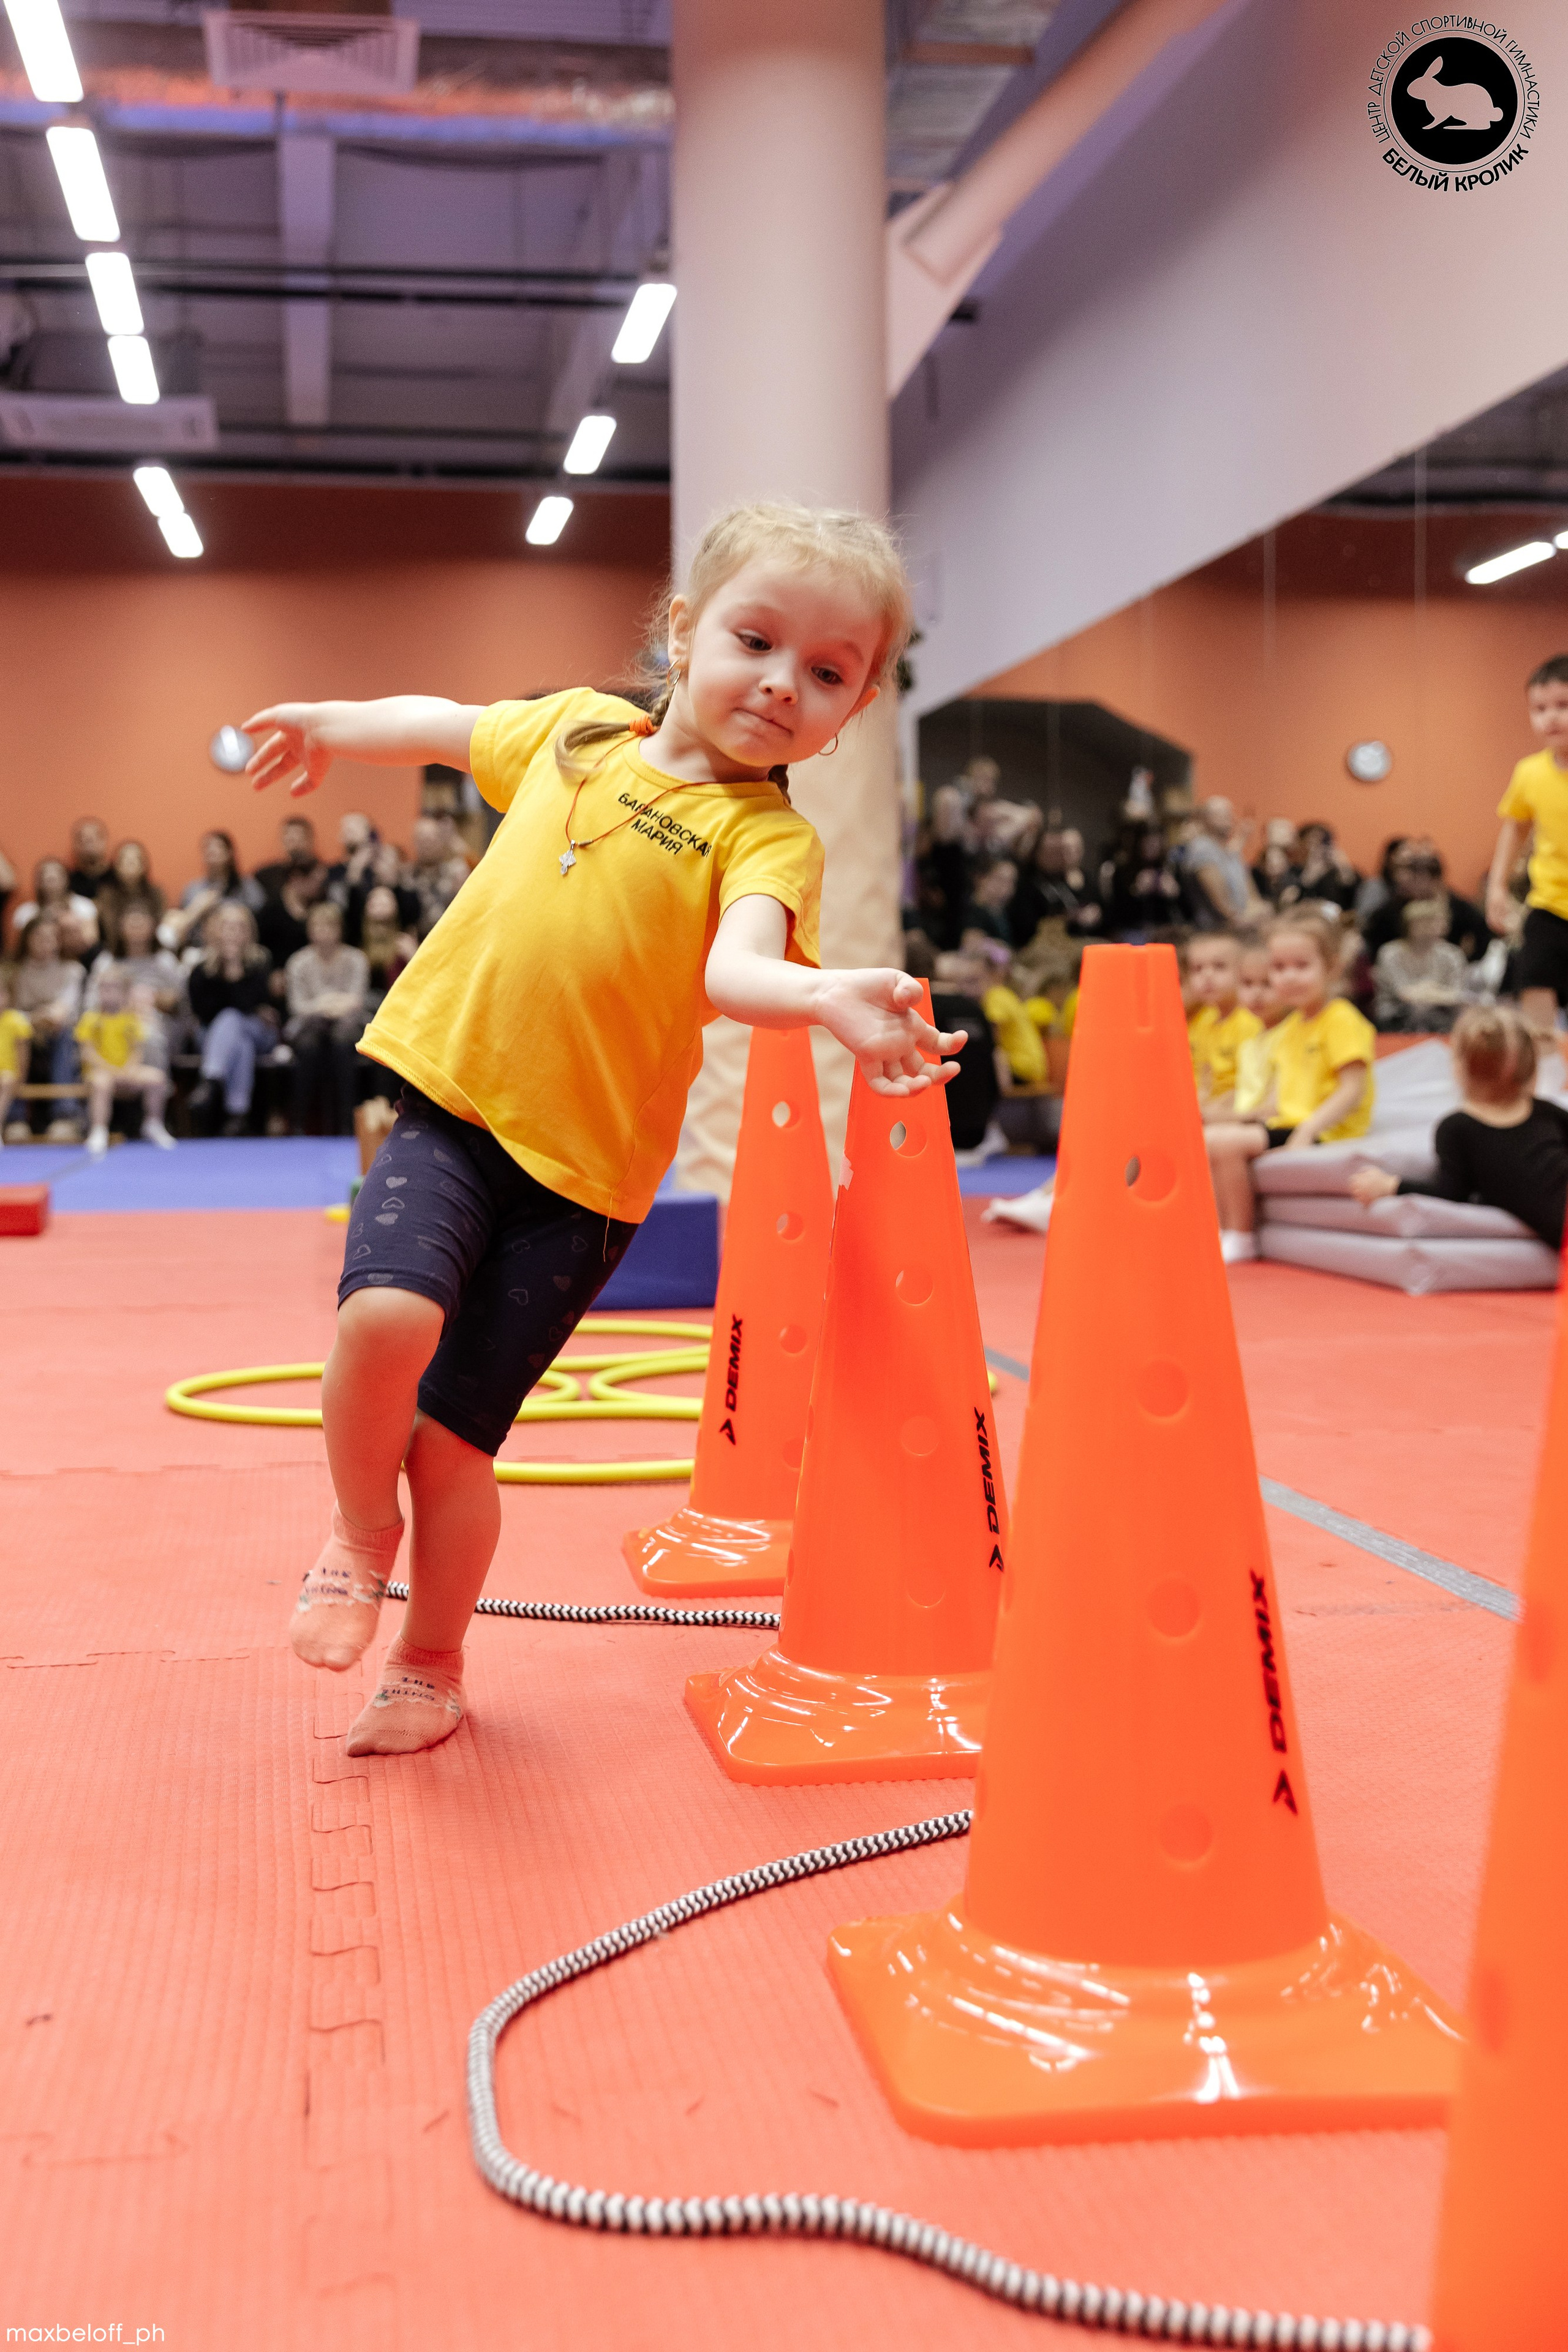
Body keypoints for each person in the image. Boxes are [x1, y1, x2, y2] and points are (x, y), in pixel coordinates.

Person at [242, 499, 960, 1760]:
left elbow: (738, 974)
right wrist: (328, 727)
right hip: (454, 1099)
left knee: (459, 1445)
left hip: (584, 1181)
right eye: (756, 639)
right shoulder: (576, 735)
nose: (782, 682)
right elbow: (443, 727)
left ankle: (432, 1664)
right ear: (685, 634)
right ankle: (361, 1537)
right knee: (382, 1318)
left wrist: (827, 993)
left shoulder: (766, 837)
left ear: (854, 711)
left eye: (828, 672)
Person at [1203, 911, 1376, 1264]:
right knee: (1212, 1133)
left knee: (1219, 1142)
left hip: (1326, 1128)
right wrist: (1248, 1116)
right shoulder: (1293, 1026)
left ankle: (1240, 1234)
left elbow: (1351, 1090)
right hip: (1288, 1121)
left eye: (1301, 966)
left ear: (1332, 968)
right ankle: (1220, 1227)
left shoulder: (1341, 1018)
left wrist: (1309, 1131)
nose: (1289, 977)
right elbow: (1278, 1093)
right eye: (1279, 968)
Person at [1349, 1007, 1568, 1251]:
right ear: (1528, 1067)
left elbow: (1452, 1194)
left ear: (1460, 1068)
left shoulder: (1457, 1128)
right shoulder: (1546, 1113)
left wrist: (1391, 1185)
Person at [1488, 652, 1568, 1047]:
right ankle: (1544, 1055)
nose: (1550, 718)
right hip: (1550, 901)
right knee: (1534, 977)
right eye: (1540, 709)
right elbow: (1514, 831)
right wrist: (1497, 888)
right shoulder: (1530, 772)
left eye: (1563, 706)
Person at [187, 903, 279, 1136]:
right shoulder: (200, 969)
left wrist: (235, 969)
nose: (233, 933)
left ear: (249, 932)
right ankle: (237, 1115)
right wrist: (226, 972)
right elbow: (205, 1012)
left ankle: (210, 1079)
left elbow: (255, 1005)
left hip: (260, 1032)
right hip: (216, 1035)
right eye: (227, 927)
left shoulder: (261, 962)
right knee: (239, 1040)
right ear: (216, 931)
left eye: (239, 927)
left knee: (233, 1019)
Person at [285, 899, 369, 1135]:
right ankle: (298, 1123)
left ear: (340, 929)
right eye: (318, 927)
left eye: (329, 926)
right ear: (310, 930)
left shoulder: (356, 959)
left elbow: (357, 1000)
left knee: (344, 1041)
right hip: (310, 1025)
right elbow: (296, 1006)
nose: (324, 933)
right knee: (308, 1045)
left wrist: (323, 1004)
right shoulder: (298, 962)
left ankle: (347, 1124)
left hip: (348, 1024)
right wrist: (327, 1005)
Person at [75, 964, 175, 1158]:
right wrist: (110, 1069)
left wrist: (130, 1069)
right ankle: (98, 1129)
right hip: (100, 1072)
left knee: (157, 1078)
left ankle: (153, 1123)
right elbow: (87, 1053)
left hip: (127, 1071)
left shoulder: (131, 1020)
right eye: (104, 988)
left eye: (114, 988)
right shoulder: (90, 1019)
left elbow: (137, 1050)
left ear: (125, 993)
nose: (108, 993)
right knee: (101, 1082)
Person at [86, 900, 187, 1071]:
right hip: (112, 1023)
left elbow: (183, 1005)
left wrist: (156, 1000)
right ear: (121, 927)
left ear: (153, 927)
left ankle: (156, 1089)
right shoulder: (106, 962)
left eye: (142, 923)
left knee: (149, 1036)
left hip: (155, 1023)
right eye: (131, 923)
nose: (136, 928)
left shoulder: (165, 962)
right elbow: (90, 1004)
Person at [1362, 838, 1488, 967]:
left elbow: (1482, 929)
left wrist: (1469, 960)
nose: (1406, 881)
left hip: (1443, 971)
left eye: (1415, 877)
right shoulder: (1395, 907)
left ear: (1431, 879)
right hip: (1404, 972)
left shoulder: (1456, 906)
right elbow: (1372, 932)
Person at [12, 912, 84, 1136]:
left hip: (57, 1031)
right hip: (25, 1033)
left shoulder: (73, 970)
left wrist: (48, 1016)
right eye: (38, 938)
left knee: (66, 1033)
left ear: (58, 941)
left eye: (50, 938)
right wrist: (33, 1019)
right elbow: (10, 1011)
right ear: (27, 940)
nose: (44, 943)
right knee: (11, 1035)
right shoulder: (14, 972)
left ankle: (65, 1115)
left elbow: (66, 1008)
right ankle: (15, 1118)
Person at [1185, 932, 1262, 1119]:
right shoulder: (1201, 1020)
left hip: (1237, 1110)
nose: (1207, 975)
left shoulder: (1251, 1021)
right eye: (1197, 969)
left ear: (1243, 972)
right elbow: (1201, 1077)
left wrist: (1211, 1112)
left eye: (1219, 967)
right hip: (1205, 1108)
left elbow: (1251, 1085)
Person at [1372, 896, 1469, 1033]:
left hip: (1441, 1019)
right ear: (1409, 925)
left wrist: (1424, 991)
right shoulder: (1390, 953)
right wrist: (1434, 989)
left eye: (1436, 921)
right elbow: (1403, 994)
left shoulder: (1452, 955)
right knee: (1413, 1012)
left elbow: (1456, 994)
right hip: (1397, 1018)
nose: (1432, 927)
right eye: (1424, 922)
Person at [160, 829, 263, 956]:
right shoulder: (193, 889)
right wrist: (197, 909)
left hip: (241, 953)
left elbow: (259, 924)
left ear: (230, 852)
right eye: (208, 847)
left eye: (218, 846)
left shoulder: (248, 887)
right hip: (201, 951)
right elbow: (177, 935)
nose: (212, 851)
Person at [1104, 820, 1182, 938]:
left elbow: (1187, 911)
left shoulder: (1171, 869)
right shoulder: (1123, 870)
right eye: (1148, 841)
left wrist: (1175, 893)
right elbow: (1115, 915)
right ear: (1138, 843)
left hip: (1165, 930)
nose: (1153, 846)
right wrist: (1136, 892)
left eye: (1156, 841)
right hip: (1134, 930)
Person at [404, 813, 470, 938]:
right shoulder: (405, 877)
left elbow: (482, 869)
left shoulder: (454, 873)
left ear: (441, 841)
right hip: (417, 945)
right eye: (422, 840)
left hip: (451, 939)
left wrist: (454, 840)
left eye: (431, 839)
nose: (427, 845)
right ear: (414, 842)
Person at [7, 855, 96, 949]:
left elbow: (91, 943)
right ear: (38, 882)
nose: (51, 877)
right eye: (45, 875)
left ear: (67, 878)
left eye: (57, 874)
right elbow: (18, 949)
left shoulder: (83, 906)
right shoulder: (25, 912)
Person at [94, 839, 166, 953]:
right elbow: (110, 932)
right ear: (116, 866)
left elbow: (160, 927)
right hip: (116, 952)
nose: (130, 863)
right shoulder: (107, 895)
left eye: (135, 859)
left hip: (151, 952)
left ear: (144, 865)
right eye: (125, 860)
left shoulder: (155, 893)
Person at [254, 814, 328, 904]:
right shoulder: (265, 876)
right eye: (287, 835)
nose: (291, 838)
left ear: (310, 840)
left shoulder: (325, 873)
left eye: (297, 834)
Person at [1295, 820, 1360, 913]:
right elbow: (1292, 902)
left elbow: (1355, 900)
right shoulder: (1293, 871)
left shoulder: (1338, 872)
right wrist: (1310, 875)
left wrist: (1344, 868)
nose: (1318, 847)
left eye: (1322, 842)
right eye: (1311, 841)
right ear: (1301, 844)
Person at [0, 966, 32, 1144]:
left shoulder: (16, 1021)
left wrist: (20, 1079)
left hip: (9, 1077)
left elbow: (23, 1057)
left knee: (6, 1079)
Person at [961, 854, 1019, 945]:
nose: (1007, 887)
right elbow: (971, 943)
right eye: (1000, 879)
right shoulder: (971, 912)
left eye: (1012, 882)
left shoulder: (1002, 912)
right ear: (981, 879)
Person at [65, 816, 113, 904]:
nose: (88, 843)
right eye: (82, 839)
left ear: (105, 841)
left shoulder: (119, 879)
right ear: (74, 845)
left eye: (94, 838)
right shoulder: (66, 883)